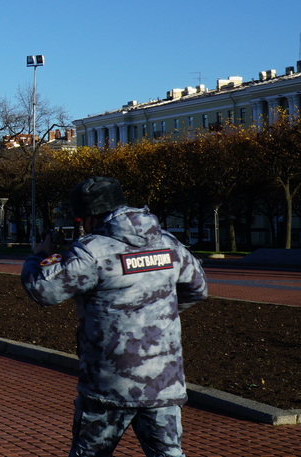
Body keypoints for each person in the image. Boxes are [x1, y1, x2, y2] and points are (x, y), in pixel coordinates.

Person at [21, 176, 207, 457]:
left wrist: (38, 257)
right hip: (163, 382)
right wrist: (157, 317)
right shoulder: (168, 243)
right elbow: (197, 288)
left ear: (89, 217)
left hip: (109, 382)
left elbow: (43, 290)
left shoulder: (93, 250)